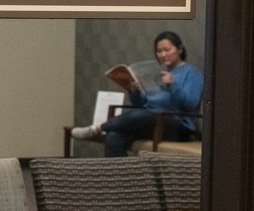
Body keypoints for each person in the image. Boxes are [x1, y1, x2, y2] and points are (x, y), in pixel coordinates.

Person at [72, 31, 203, 157]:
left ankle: (96, 129)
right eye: (159, 51)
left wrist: (172, 84)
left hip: (178, 127)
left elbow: (191, 104)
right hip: (148, 121)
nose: (163, 55)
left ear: (180, 49)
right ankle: (120, 179)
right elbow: (141, 104)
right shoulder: (158, 72)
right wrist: (133, 90)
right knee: (114, 136)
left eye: (167, 50)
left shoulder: (191, 73)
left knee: (145, 114)